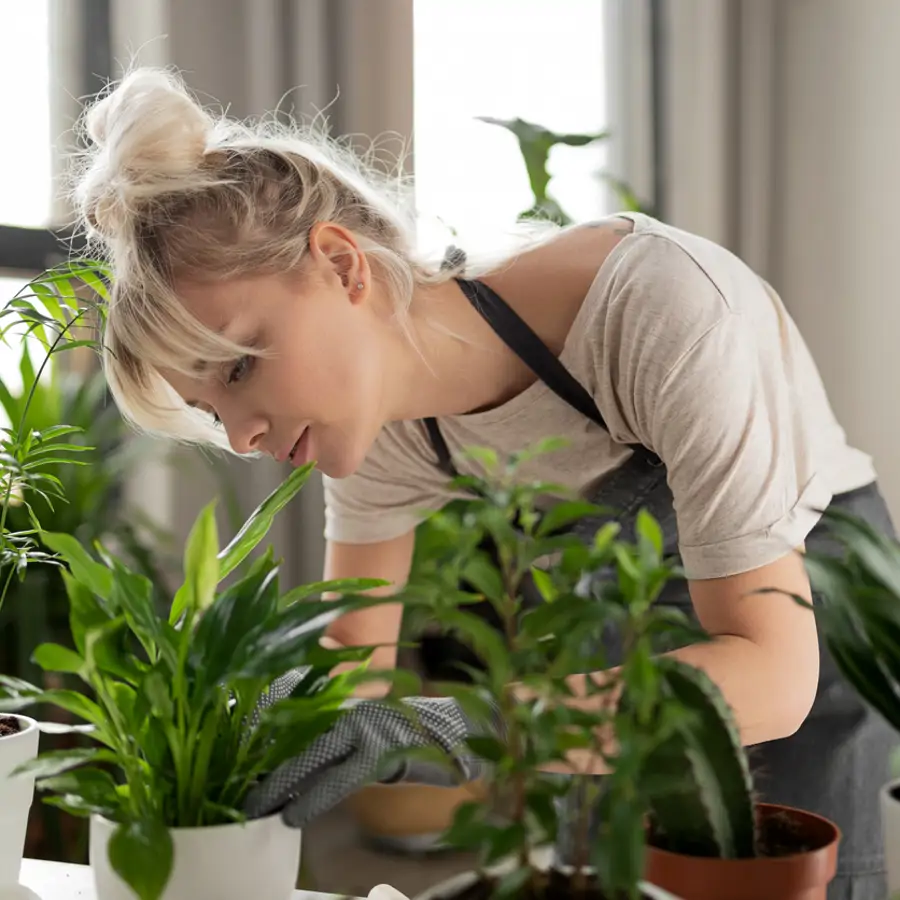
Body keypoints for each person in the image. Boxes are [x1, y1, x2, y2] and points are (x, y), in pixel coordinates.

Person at [75, 68, 892, 900]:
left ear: (340, 264)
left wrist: (462, 725)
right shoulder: (380, 427)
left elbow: (773, 675)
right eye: (212, 412)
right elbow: (354, 666)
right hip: (619, 621)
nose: (245, 437)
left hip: (797, 620)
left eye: (242, 365)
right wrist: (254, 720)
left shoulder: (658, 310)